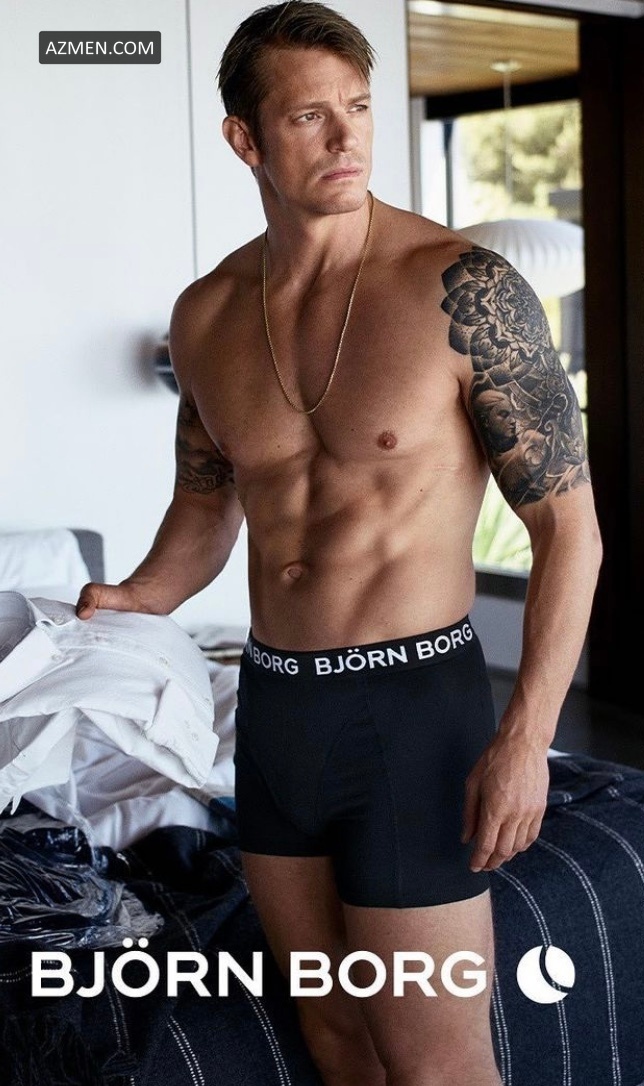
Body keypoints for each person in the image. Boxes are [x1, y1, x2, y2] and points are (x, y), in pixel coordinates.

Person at [76, 2, 603, 1082]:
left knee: (434, 1060)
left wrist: (524, 739)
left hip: (414, 712)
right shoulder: (207, 314)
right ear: (245, 139)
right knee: (332, 1033)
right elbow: (205, 507)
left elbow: (569, 530)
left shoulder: (462, 288)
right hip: (276, 712)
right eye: (308, 116)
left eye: (356, 107)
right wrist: (133, 596)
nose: (345, 136)